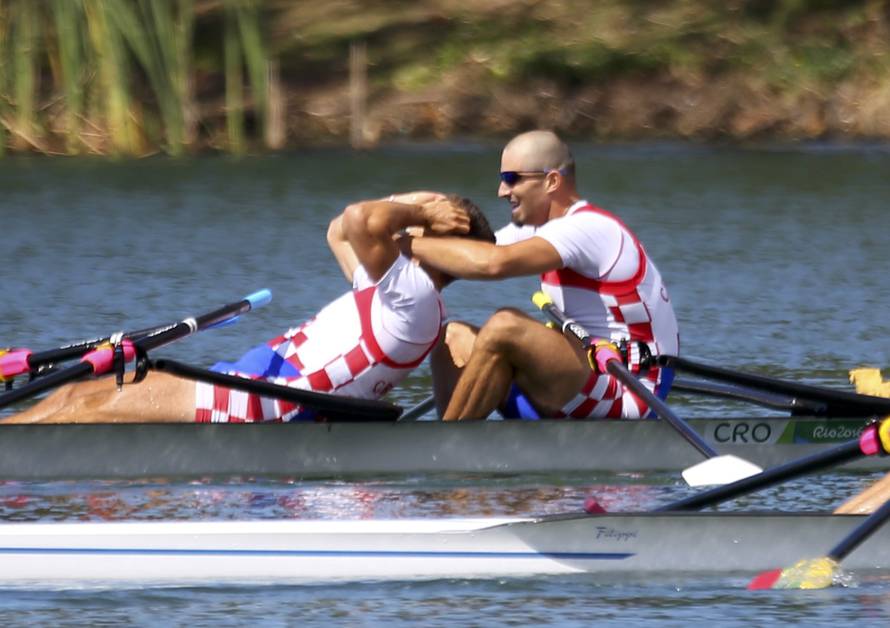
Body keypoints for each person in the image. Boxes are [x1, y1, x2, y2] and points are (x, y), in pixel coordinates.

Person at [4, 194, 495, 423]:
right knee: (72, 397)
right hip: (249, 380)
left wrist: (422, 212)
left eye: (423, 218)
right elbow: (338, 229)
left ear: (432, 237)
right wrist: (416, 205)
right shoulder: (394, 287)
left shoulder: (414, 298)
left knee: (82, 411)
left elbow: (360, 217)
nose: (406, 221)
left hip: (266, 403)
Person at [407, 130, 680, 421]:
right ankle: (455, 442)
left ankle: (447, 450)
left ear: (551, 181)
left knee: (505, 325)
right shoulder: (536, 231)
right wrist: (396, 225)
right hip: (579, 379)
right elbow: (467, 258)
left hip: (628, 391)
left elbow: (493, 264)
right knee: (451, 336)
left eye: (512, 179)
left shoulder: (589, 228)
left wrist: (406, 244)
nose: (501, 191)